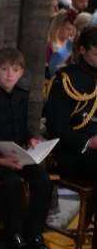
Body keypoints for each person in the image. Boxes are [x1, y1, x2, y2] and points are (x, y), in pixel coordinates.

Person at [0, 47, 55, 249]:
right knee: (12, 183)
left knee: (43, 181)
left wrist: (31, 138)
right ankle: (14, 236)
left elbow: (21, 129)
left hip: (19, 156)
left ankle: (35, 235)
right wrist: (0, 160)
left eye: (15, 69)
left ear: (21, 72)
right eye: (4, 69)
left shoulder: (21, 96)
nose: (10, 74)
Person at [45, 24, 97, 178]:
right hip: (73, 151)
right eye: (96, 53)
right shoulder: (65, 80)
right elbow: (56, 127)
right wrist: (88, 142)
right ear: (82, 50)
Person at [48, 10, 77, 75]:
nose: (71, 33)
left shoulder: (70, 43)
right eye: (68, 29)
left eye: (72, 29)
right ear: (58, 26)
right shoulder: (50, 45)